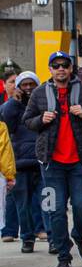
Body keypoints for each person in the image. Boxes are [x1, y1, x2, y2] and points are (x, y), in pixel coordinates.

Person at [23, 51, 82, 267]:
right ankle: (63, 255)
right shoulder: (40, 93)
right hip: (51, 164)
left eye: (64, 65)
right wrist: (41, 119)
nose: (60, 69)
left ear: (71, 69)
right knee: (55, 210)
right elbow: (27, 121)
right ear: (50, 69)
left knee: (81, 207)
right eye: (56, 65)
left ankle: (79, 237)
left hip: (80, 162)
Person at [1, 70, 43, 251]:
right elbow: (6, 123)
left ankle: (46, 231)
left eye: (31, 84)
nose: (27, 88)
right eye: (23, 85)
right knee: (22, 205)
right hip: (20, 163)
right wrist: (13, 100)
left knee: (47, 202)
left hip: (42, 162)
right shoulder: (12, 107)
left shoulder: (42, 103)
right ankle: (27, 238)